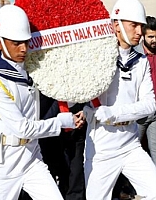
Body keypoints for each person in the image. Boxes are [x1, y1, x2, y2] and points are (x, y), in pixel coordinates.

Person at [0, 5, 83, 200]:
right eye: (16, 43)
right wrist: (63, 121)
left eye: (26, 42)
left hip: (31, 157)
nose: (23, 49)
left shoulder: (31, 69)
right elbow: (22, 128)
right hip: (4, 165)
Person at [83, 0, 156, 199]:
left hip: (131, 144)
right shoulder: (96, 58)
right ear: (116, 25)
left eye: (141, 26)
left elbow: (150, 104)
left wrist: (114, 113)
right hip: (102, 147)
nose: (140, 31)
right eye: (134, 25)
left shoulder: (141, 61)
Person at [137, 16, 156, 165]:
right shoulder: (136, 56)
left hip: (155, 113)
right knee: (133, 151)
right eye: (151, 36)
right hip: (138, 113)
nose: (154, 40)